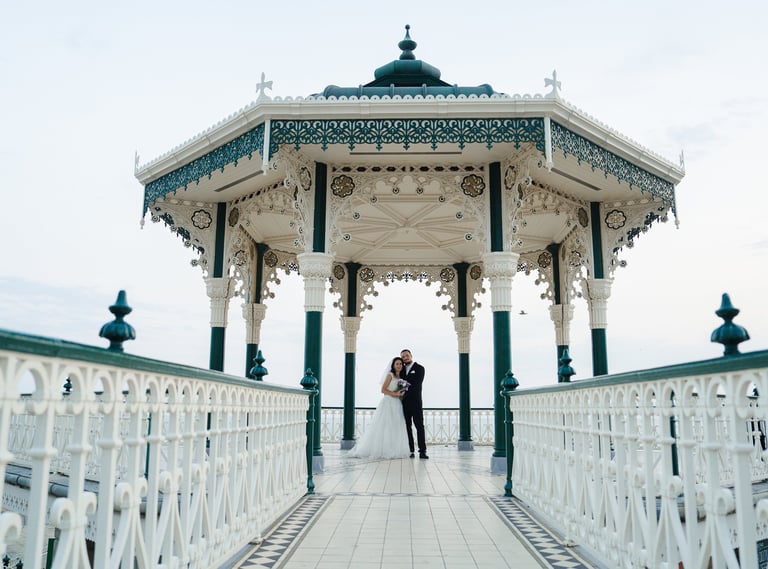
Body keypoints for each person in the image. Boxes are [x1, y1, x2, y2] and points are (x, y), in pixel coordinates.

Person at [348, 357, 411, 459]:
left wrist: (401, 393)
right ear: (393, 365)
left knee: (396, 426)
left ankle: (395, 448)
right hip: (388, 403)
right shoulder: (390, 375)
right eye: (397, 364)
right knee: (386, 426)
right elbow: (383, 390)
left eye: (400, 364)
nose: (399, 365)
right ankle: (384, 449)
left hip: (397, 404)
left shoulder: (401, 378)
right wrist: (395, 394)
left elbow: (401, 390)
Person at [400, 348, 428, 459]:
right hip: (404, 403)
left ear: (411, 355)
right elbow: (400, 384)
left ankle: (422, 451)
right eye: (403, 357)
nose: (405, 358)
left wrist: (403, 386)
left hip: (416, 402)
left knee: (419, 427)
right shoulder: (401, 370)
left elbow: (417, 384)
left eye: (406, 355)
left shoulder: (420, 368)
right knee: (407, 427)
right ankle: (410, 450)